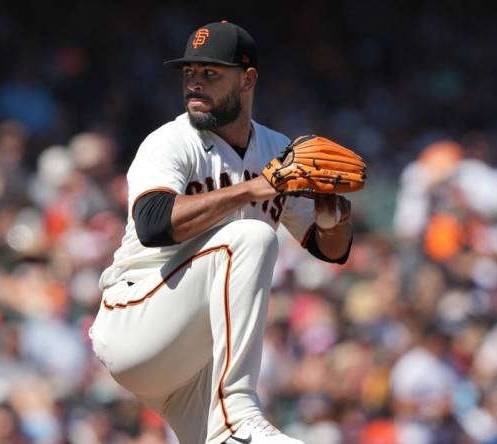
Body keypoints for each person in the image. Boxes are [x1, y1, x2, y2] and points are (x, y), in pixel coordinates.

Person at [89, 21, 354, 444]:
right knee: (252, 237)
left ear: (247, 80)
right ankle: (237, 411)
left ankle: (232, 421)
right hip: (138, 318)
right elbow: (155, 223)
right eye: (189, 73)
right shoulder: (171, 141)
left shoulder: (276, 149)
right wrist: (250, 189)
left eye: (210, 74)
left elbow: (331, 251)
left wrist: (332, 216)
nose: (194, 83)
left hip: (194, 365)